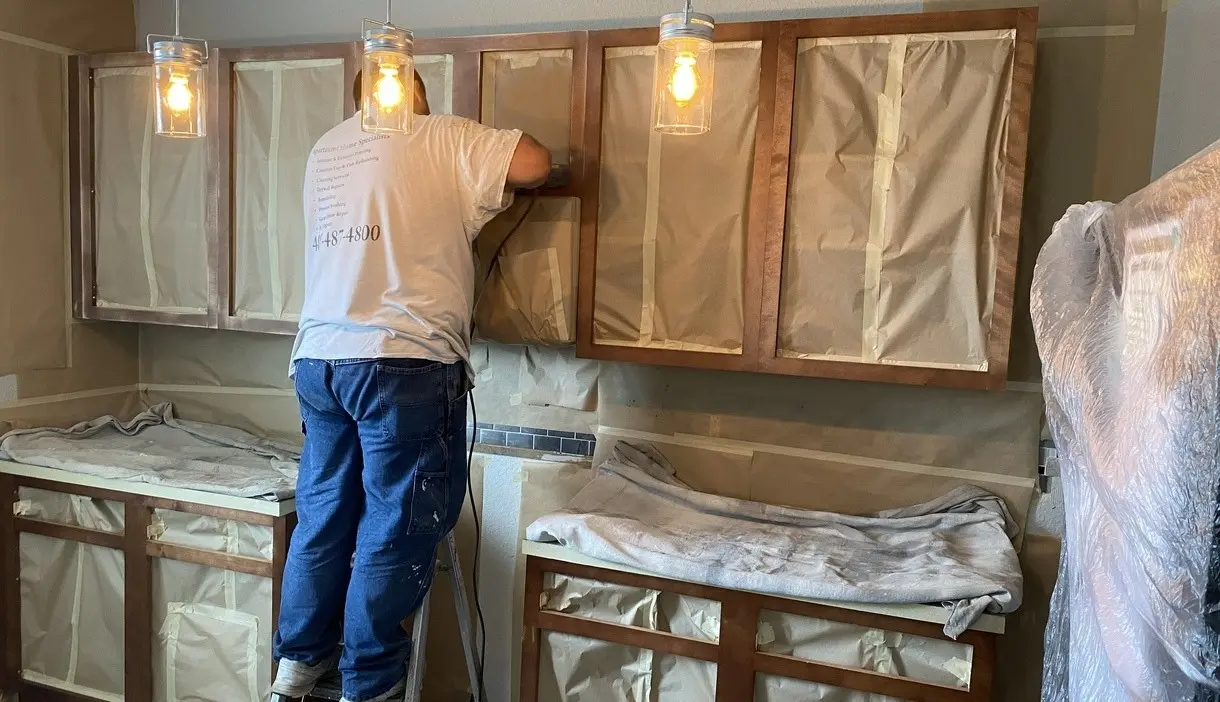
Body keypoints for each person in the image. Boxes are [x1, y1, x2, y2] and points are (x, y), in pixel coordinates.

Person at [271, 68, 552, 702]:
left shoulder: (327, 148)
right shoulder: (439, 135)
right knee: (394, 525)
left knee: (323, 517)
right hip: (403, 360)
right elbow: (535, 163)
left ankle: (297, 667)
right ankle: (368, 685)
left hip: (319, 361)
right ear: (416, 94)